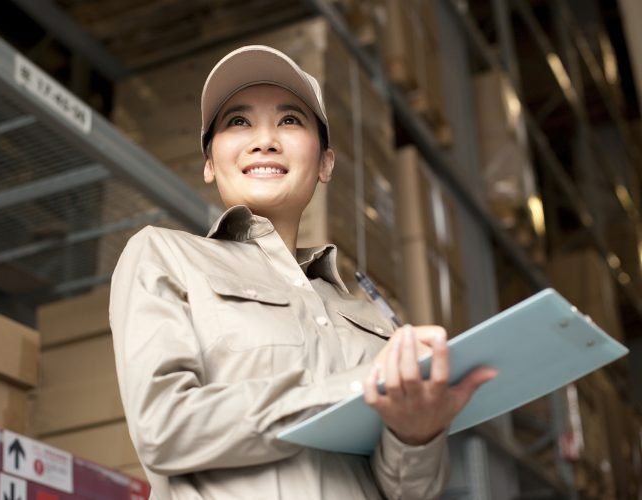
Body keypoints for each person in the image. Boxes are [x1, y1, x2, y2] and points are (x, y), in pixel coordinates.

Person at [109, 45, 497, 500]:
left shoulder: (373, 325)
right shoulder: (166, 255)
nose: (265, 140)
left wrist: (417, 435)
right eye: (238, 122)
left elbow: (410, 492)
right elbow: (164, 427)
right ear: (210, 164)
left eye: (290, 120)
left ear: (326, 164)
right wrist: (351, 389)